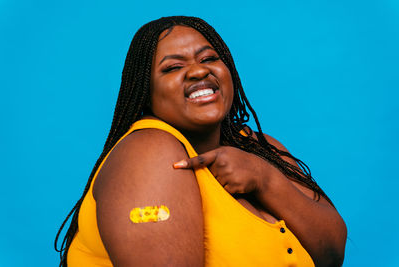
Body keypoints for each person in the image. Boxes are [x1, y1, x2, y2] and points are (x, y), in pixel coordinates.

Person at [55, 16, 347, 266]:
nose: (198, 71)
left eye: (209, 58)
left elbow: (332, 254)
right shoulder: (149, 152)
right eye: (172, 68)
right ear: (144, 91)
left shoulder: (258, 147)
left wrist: (265, 179)